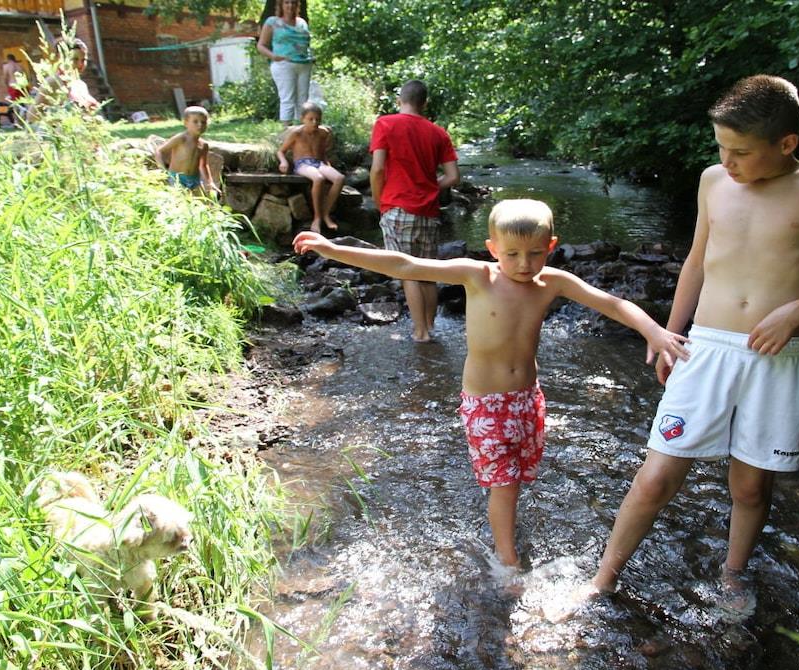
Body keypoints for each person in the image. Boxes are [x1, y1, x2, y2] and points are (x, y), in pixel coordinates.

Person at [590, 75, 799, 606]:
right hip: (705, 347)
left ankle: (733, 574)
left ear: (787, 143)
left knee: (750, 487)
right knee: (656, 477)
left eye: (742, 152)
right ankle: (603, 579)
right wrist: (669, 333)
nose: (728, 162)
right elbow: (696, 262)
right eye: (721, 148)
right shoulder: (713, 181)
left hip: (776, 356)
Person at [293, 199, 691, 569]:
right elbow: (405, 265)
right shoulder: (478, 275)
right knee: (505, 485)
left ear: (551, 246)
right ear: (492, 247)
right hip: (486, 405)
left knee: (515, 480)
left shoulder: (553, 282)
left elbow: (611, 303)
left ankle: (506, 537)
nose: (524, 263)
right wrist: (332, 249)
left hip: (528, 400)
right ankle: (508, 561)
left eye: (535, 253)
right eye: (512, 253)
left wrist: (653, 331)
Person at [370, 79, 460, 342]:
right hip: (429, 211)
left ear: (400, 100)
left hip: (397, 207)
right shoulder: (438, 133)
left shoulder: (385, 124)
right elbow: (453, 176)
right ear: (425, 103)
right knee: (427, 272)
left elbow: (377, 169)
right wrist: (429, 187)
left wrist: (379, 201)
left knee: (406, 271)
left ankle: (420, 333)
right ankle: (430, 327)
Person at [276, 101, 344, 233]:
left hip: (319, 163)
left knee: (339, 178)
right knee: (318, 178)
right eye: (310, 119)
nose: (314, 122)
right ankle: (317, 218)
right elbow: (280, 151)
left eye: (317, 119)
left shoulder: (323, 133)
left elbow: (322, 152)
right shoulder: (297, 133)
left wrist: (327, 163)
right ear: (303, 119)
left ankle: (326, 214)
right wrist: (283, 162)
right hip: (302, 164)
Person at [257, 0, 315, 125]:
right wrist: (274, 56)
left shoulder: (302, 23)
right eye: (287, 2)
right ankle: (287, 130)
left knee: (303, 100)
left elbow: (305, 44)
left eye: (293, 2)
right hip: (284, 65)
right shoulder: (273, 22)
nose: (290, 5)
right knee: (287, 99)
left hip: (304, 65)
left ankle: (302, 130)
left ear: (297, 5)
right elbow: (261, 45)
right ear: (281, 5)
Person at [27, 39, 100, 121]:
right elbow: (31, 117)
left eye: (83, 60)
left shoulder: (81, 84)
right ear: (61, 58)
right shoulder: (53, 81)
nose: (80, 64)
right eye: (75, 59)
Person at [154, 105, 219, 196]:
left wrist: (210, 182)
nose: (200, 125)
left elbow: (203, 165)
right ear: (186, 123)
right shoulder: (181, 139)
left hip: (195, 179)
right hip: (177, 178)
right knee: (179, 200)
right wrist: (163, 170)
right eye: (195, 121)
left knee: (201, 202)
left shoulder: (204, 145)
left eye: (203, 122)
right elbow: (160, 151)